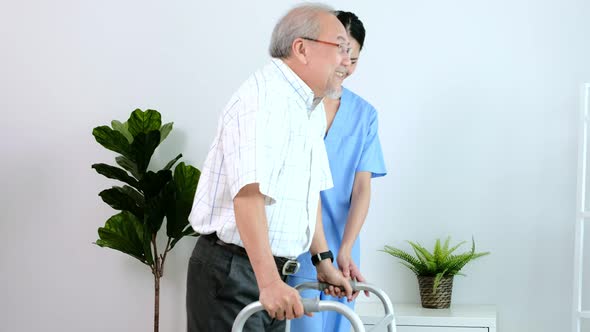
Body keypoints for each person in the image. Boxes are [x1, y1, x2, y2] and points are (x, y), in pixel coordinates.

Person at [186, 4, 355, 331]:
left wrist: (323, 262)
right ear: (302, 49)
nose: (346, 61)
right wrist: (268, 283)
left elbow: (310, 193)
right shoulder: (264, 100)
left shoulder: (310, 108)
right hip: (235, 273)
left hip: (272, 276)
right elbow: (248, 197)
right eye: (341, 47)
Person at [287, 11, 387, 332]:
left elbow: (362, 189)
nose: (344, 64)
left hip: (344, 251)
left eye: (353, 58)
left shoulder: (365, 115)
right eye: (339, 53)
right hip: (299, 250)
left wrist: (345, 249)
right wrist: (323, 257)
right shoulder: (294, 106)